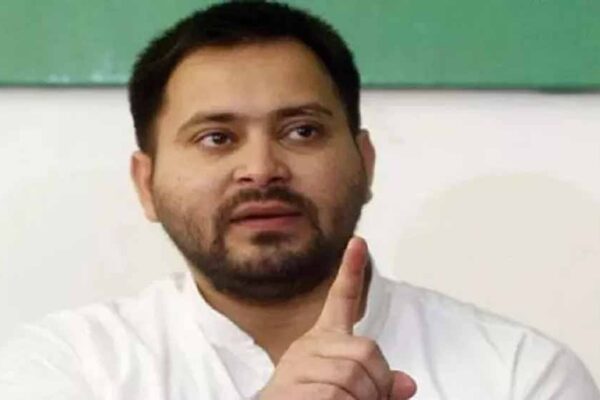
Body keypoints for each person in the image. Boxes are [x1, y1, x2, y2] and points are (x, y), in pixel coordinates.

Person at [1, 1, 598, 399]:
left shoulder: (519, 375)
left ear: (365, 162)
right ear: (145, 183)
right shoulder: (61, 369)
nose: (261, 170)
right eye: (216, 138)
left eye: (303, 131)